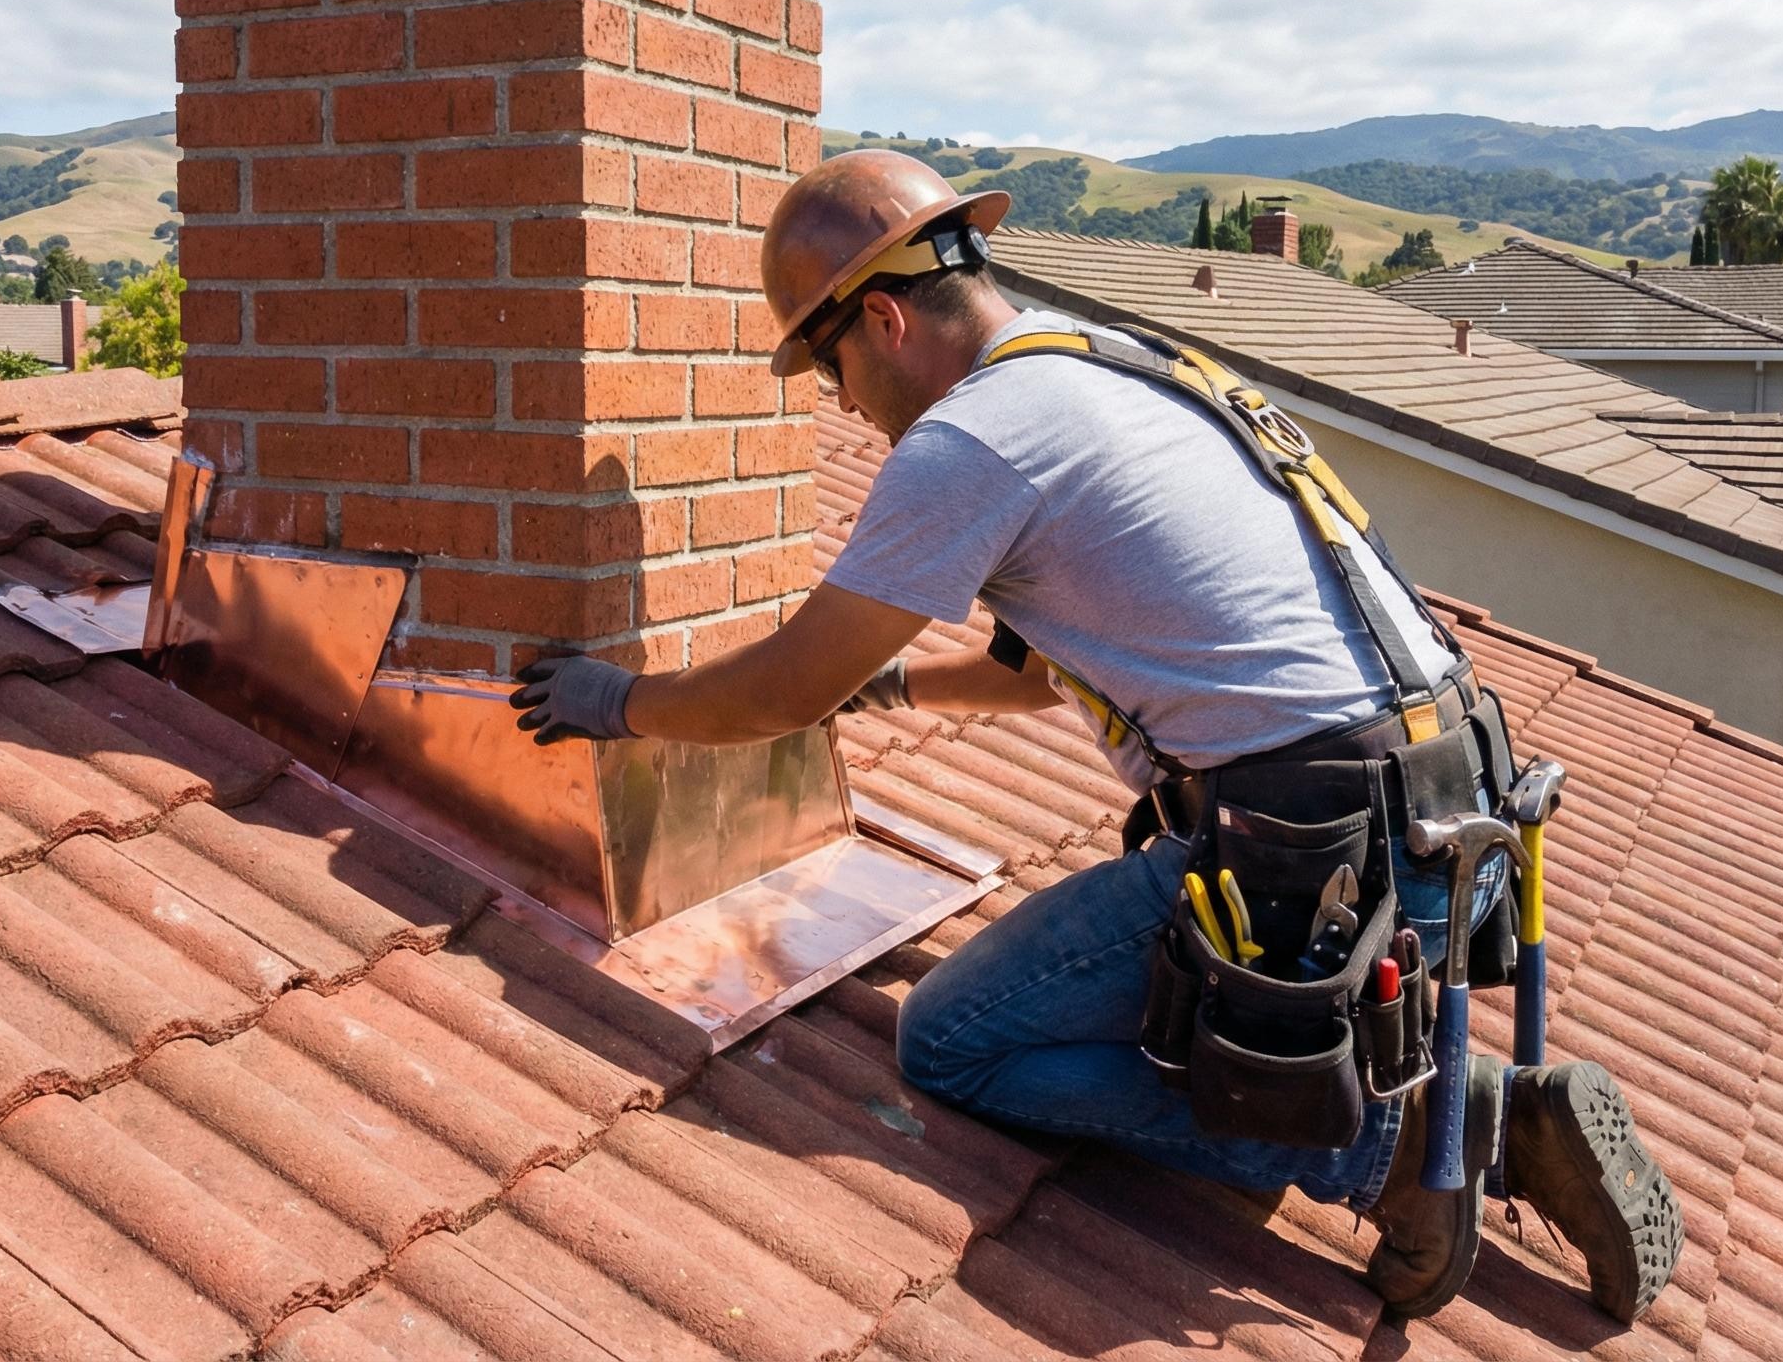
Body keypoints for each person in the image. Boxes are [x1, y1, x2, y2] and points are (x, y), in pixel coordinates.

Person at [511, 150, 1682, 1322]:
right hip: (1459, 827)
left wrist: (616, 705)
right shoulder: (1107, 363)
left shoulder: (971, 438)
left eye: (832, 369)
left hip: (1319, 861)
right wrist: (895, 691)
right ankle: (1447, 1094)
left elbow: (781, 692)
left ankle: (1397, 1139)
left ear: (881, 317)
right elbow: (1031, 677)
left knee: (953, 1044)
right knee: (1121, 1006)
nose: (844, 406)